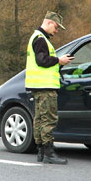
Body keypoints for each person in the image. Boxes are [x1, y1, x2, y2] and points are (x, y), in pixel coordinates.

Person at [25, 11, 73, 164]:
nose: (57, 31)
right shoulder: (41, 40)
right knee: (48, 119)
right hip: (45, 86)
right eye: (57, 27)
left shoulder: (37, 37)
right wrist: (59, 60)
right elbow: (42, 60)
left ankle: (41, 152)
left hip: (38, 85)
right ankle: (49, 153)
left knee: (39, 119)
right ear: (50, 23)